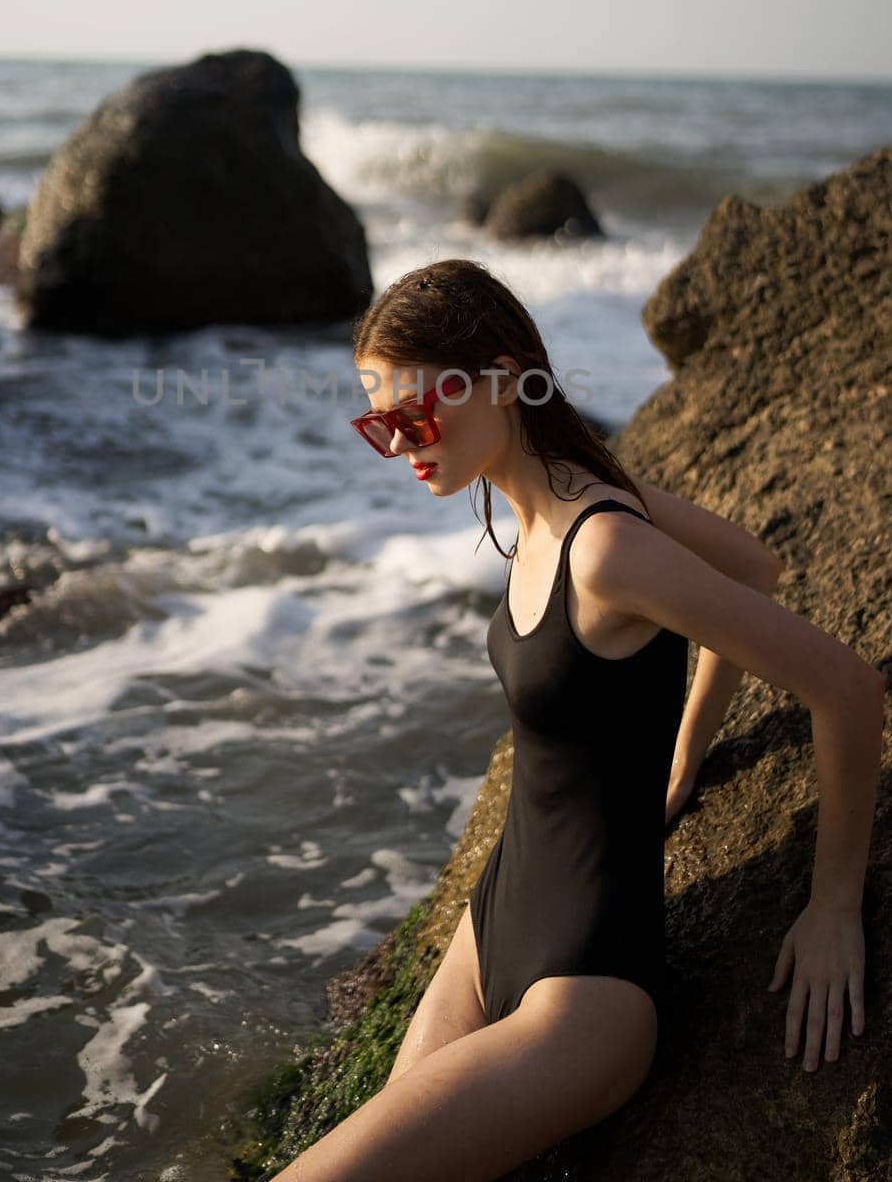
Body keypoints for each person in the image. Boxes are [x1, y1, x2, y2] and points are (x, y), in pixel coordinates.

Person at [270, 258, 885, 1182]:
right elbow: (751, 568)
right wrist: (683, 752)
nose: (398, 446)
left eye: (412, 415)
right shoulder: (547, 513)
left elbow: (844, 686)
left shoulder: (606, 548)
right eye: (377, 424)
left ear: (505, 377)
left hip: (586, 997)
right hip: (494, 925)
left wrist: (833, 904)